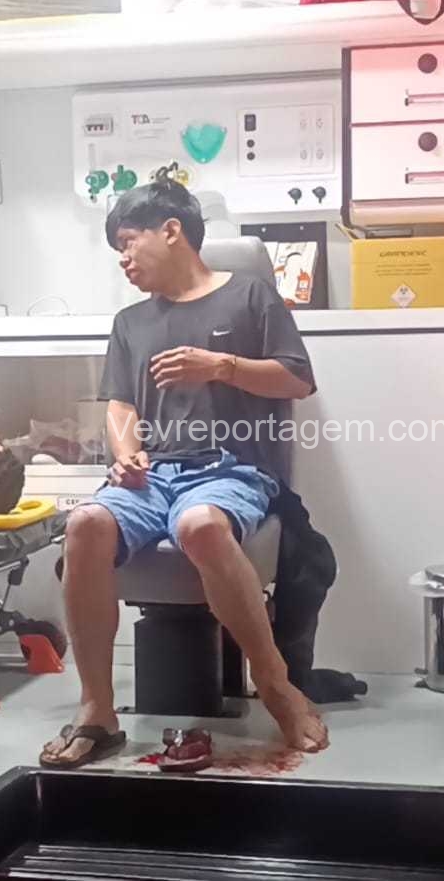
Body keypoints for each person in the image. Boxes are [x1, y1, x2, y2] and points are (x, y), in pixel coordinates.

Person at [41, 180, 329, 769]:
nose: (123, 259)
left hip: (231, 467)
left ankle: (277, 686)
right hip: (153, 474)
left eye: (128, 241)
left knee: (200, 525)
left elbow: (298, 380)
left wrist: (221, 366)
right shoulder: (130, 322)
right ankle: (97, 709)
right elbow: (121, 405)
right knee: (84, 524)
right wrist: (125, 453)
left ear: (171, 230)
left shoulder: (250, 296)